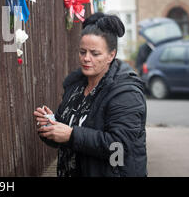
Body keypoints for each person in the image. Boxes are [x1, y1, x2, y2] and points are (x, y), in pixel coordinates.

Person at [33, 12, 147, 177]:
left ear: (111, 55)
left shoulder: (126, 93)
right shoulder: (75, 87)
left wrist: (71, 135)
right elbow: (67, 134)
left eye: (95, 53)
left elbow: (119, 147)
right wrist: (51, 125)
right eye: (82, 52)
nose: (86, 58)